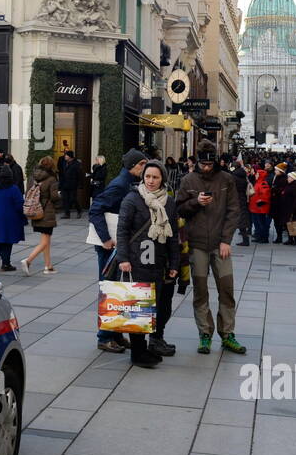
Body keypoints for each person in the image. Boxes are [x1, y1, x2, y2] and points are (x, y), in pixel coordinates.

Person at [176, 141, 246, 355]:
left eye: (209, 164)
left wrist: (226, 240)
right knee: (200, 290)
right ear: (197, 160)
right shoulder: (187, 180)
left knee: (227, 289)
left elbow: (234, 210)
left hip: (219, 244)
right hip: (197, 244)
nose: (206, 167)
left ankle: (227, 334)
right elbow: (179, 209)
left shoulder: (227, 179)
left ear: (215, 160)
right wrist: (195, 202)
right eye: (203, 164)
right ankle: (204, 334)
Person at [117, 161, 181, 366]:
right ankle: (137, 353)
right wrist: (123, 258)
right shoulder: (132, 199)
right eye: (148, 177)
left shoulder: (169, 203)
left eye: (155, 177)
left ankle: (145, 347)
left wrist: (174, 264)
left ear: (162, 178)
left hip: (158, 263)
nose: (151, 181)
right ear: (142, 178)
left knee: (154, 308)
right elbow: (122, 231)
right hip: (137, 262)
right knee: (138, 307)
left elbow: (173, 236)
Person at [88, 149, 149, 353]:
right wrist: (105, 238)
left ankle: (115, 334)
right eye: (142, 165)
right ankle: (104, 337)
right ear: (133, 166)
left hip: (118, 245)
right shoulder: (120, 185)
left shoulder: (128, 183)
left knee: (118, 287)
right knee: (110, 289)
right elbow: (95, 209)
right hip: (110, 247)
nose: (144, 169)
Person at [21, 155, 60, 275]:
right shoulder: (52, 179)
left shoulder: (33, 177)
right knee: (44, 241)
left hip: (36, 211)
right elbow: (54, 197)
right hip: (47, 213)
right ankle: (28, 261)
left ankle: (48, 266)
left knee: (46, 239)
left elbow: (28, 193)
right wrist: (60, 196)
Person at [0, 165, 24, 272]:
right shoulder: (13, 188)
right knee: (8, 240)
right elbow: (19, 204)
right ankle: (6, 263)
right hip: (10, 217)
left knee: (0, 237)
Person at [229, 159, 252, 246]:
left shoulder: (234, 177)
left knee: (240, 219)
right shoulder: (243, 175)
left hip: (237, 199)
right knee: (242, 218)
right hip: (242, 198)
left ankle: (245, 240)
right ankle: (245, 239)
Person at [248, 166, 272, 243]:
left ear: (261, 175)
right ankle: (259, 236)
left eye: (257, 174)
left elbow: (265, 195)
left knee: (262, 223)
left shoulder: (263, 183)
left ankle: (264, 238)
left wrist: (259, 202)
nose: (255, 175)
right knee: (258, 223)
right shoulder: (258, 182)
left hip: (260, 208)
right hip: (255, 207)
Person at [59, 150, 84, 219]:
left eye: (66, 155)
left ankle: (79, 210)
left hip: (73, 185)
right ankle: (67, 214)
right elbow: (62, 174)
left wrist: (80, 184)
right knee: (65, 199)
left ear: (70, 156)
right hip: (64, 184)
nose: (65, 156)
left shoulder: (76, 164)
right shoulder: (64, 163)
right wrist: (60, 185)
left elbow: (80, 175)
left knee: (73, 199)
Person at [282, 170, 296, 245]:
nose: (287, 178)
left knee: (293, 224)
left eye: (289, 177)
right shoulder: (290, 184)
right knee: (288, 223)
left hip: (293, 208)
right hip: (287, 207)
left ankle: (295, 238)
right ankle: (290, 239)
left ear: (293, 178)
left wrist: (293, 209)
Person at [270, 163, 290, 243]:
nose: (275, 171)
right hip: (276, 203)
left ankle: (287, 237)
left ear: (280, 171)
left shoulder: (284, 179)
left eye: (276, 170)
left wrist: (274, 189)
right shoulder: (277, 177)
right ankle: (279, 237)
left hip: (281, 204)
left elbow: (283, 190)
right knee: (277, 222)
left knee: (282, 222)